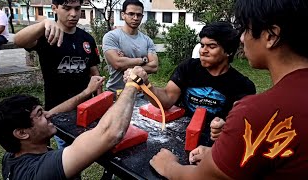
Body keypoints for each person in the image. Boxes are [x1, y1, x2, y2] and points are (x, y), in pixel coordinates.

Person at [149, 0, 308, 179]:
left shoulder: (257, 112)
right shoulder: (189, 68)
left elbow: (207, 177)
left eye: (245, 29)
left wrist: (169, 166)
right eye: (202, 45)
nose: (241, 38)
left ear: (271, 36)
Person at [0, 67, 147, 179]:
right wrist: (132, 84)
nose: (48, 115)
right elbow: (110, 133)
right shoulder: (41, 171)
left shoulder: (12, 155)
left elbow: (53, 112)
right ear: (22, 133)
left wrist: (86, 92)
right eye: (40, 114)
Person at [126, 21, 256, 146]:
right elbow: (166, 100)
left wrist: (225, 128)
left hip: (214, 146)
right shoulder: (188, 68)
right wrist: (146, 85)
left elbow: (241, 126)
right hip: (178, 136)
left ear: (228, 51)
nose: (203, 51)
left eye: (211, 46)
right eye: (202, 45)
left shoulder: (242, 86)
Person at [14, 0, 101, 149]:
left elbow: (93, 71)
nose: (73, 14)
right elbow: (18, 41)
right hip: (57, 110)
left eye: (77, 8)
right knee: (66, 153)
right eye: (67, 8)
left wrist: (99, 99)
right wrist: (43, 24)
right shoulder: (47, 35)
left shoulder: (87, 39)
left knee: (89, 148)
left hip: (84, 107)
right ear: (54, 8)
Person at [102, 0, 158, 94]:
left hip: (140, 95)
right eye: (131, 14)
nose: (135, 18)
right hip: (116, 94)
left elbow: (154, 67)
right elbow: (118, 63)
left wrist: (128, 63)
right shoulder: (111, 37)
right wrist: (143, 60)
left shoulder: (147, 40)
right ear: (123, 15)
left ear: (142, 16)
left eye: (139, 15)